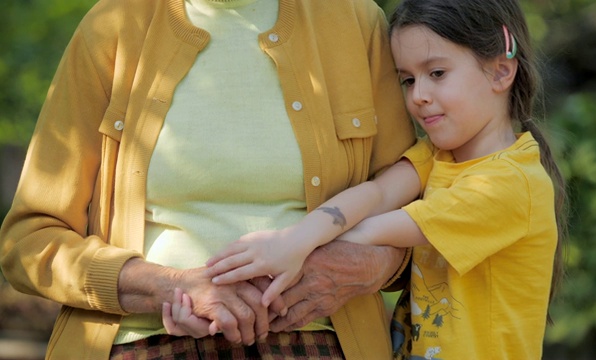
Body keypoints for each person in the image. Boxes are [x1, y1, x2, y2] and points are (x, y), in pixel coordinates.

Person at [0, 0, 417, 358]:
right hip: (142, 341)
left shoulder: (355, 22)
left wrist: (361, 266)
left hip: (318, 341)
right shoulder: (113, 25)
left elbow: (419, 207)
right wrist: (168, 287)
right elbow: (30, 241)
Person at [165, 0, 568, 358]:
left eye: (438, 73)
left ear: (500, 72)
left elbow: (376, 228)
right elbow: (376, 194)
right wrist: (290, 243)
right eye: (408, 79)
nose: (418, 96)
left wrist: (279, 259)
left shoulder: (510, 183)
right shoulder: (437, 156)